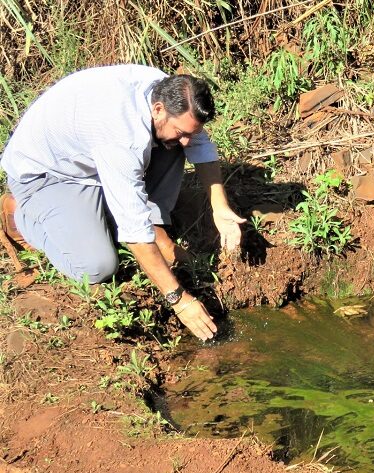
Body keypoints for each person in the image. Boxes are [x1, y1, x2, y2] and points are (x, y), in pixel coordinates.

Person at [0, 64, 246, 341]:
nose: (187, 140)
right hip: (49, 176)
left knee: (173, 143)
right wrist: (179, 299)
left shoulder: (168, 93)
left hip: (93, 161)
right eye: (181, 131)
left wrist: (220, 208)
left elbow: (198, 144)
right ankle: (20, 215)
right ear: (158, 109)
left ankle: (157, 228)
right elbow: (134, 231)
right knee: (98, 266)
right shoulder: (122, 137)